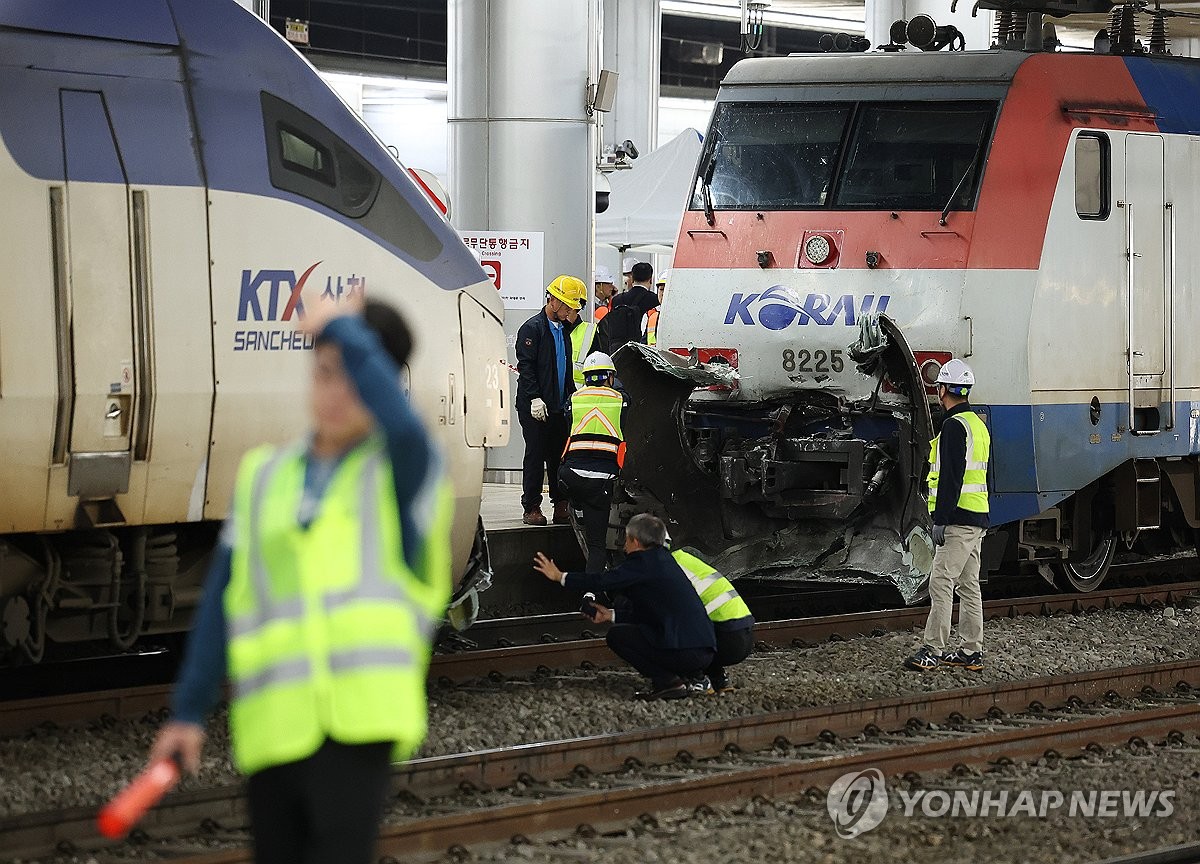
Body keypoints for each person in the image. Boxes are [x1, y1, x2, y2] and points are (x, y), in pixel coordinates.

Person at [149, 296, 452, 864]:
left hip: (359, 725)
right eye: (323, 374)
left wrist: (338, 327)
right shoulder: (266, 475)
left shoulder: (402, 473)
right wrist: (188, 711)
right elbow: (222, 600)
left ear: (383, 384)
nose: (334, 394)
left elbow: (405, 430)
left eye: (355, 377)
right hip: (273, 728)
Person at [533, 513, 716, 700]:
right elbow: (653, 613)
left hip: (686, 652)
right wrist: (610, 615)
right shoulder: (664, 560)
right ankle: (695, 678)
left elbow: (603, 580)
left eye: (626, 540)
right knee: (639, 626)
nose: (624, 546)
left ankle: (669, 683)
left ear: (635, 542)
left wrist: (561, 577)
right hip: (703, 651)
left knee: (617, 636)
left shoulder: (642, 563)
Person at [904, 359, 990, 672]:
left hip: (958, 520)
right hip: (977, 516)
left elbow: (952, 477)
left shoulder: (954, 426)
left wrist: (941, 519)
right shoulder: (977, 425)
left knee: (940, 581)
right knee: (968, 585)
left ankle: (932, 649)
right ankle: (971, 651)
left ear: (942, 390)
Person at [516, 276, 584, 526]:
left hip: (557, 404)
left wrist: (571, 397)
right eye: (567, 306)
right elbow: (527, 368)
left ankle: (561, 503)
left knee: (559, 456)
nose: (570, 311)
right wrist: (534, 398)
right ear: (553, 301)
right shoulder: (532, 329)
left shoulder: (563, 331)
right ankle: (531, 506)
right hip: (533, 405)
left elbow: (564, 368)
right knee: (535, 454)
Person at [559, 352, 626, 572]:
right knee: (596, 547)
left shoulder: (573, 399)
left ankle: (576, 508)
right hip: (601, 481)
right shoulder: (620, 399)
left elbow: (568, 424)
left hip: (569, 476)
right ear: (611, 377)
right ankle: (590, 596)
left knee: (572, 486)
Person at [671, 547, 754, 694]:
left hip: (727, 640)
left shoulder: (666, 567)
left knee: (664, 626)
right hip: (744, 634)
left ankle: (697, 680)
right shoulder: (683, 559)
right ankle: (719, 679)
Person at [600, 261, 659, 355]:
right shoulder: (654, 300)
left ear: (632, 279)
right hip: (640, 350)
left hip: (617, 349)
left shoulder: (617, 299)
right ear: (650, 279)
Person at [645, 269, 669, 346]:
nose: (663, 293)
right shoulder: (650, 315)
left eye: (668, 289)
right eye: (661, 289)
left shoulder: (685, 316)